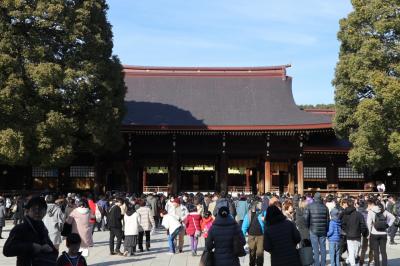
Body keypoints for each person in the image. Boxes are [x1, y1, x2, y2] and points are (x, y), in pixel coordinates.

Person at [3, 196, 58, 265]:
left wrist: (51, 249)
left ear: (45, 211)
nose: (37, 212)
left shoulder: (43, 228)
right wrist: (31, 246)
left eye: (41, 209)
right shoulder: (20, 228)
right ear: (27, 211)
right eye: (34, 209)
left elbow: (54, 252)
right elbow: (7, 250)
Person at [367, 200, 395, 266]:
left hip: (374, 233)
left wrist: (369, 233)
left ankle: (377, 264)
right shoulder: (384, 211)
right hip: (383, 233)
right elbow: (393, 217)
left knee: (376, 252)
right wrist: (387, 225)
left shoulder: (371, 211)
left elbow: (368, 223)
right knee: (383, 251)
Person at [304, 192, 329, 266]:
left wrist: (308, 227)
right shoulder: (325, 207)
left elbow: (306, 218)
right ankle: (323, 263)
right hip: (323, 230)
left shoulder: (309, 206)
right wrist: (326, 229)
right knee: (323, 247)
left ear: (314, 198)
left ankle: (317, 264)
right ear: (320, 198)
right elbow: (328, 220)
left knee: (315, 248)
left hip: (313, 229)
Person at [342, 199, 368, 266]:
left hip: (349, 235)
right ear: (354, 204)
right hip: (357, 235)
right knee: (354, 251)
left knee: (353, 252)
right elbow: (363, 225)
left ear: (347, 204)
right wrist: (363, 233)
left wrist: (346, 231)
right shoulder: (359, 214)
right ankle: (352, 263)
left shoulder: (345, 214)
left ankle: (348, 261)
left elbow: (342, 224)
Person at [242, 201, 265, 266]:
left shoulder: (263, 213)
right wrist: (242, 237)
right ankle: (252, 264)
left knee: (260, 253)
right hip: (251, 236)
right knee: (252, 253)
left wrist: (264, 220)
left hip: (261, 236)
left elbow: (267, 224)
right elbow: (244, 226)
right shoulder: (248, 214)